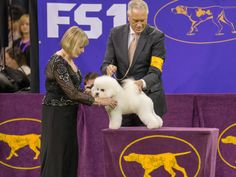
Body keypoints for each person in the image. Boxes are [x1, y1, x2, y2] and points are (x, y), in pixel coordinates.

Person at [41, 26, 117, 177]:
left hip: (69, 114)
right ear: (72, 43)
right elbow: (71, 93)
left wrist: (90, 92)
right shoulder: (57, 62)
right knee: (57, 156)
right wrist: (98, 101)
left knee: (69, 156)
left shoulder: (69, 60)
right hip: (56, 115)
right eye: (81, 47)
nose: (83, 51)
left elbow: (75, 89)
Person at [101, 0, 167, 126]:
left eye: (143, 20)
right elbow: (105, 64)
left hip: (147, 97)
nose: (139, 25)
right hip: (123, 99)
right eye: (135, 20)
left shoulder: (157, 36)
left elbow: (156, 70)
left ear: (147, 17)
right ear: (128, 17)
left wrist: (142, 83)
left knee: (148, 143)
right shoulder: (115, 33)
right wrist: (108, 68)